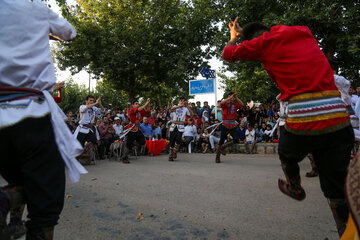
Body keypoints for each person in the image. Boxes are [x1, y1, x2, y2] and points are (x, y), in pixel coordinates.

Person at [223, 18, 354, 236]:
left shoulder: (262, 43)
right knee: (337, 190)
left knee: (286, 152)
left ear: (253, 40)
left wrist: (234, 37)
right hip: (339, 119)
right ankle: (348, 234)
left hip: (305, 119)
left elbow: (228, 54)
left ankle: (295, 186)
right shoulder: (304, 31)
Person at [0, 0, 87, 239]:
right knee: (46, 201)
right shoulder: (36, 9)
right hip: (28, 112)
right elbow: (70, 33)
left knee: (23, 180)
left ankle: (8, 200)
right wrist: (44, 32)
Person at [216, 92, 244, 163]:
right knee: (221, 141)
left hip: (232, 125)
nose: (231, 98)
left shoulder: (235, 105)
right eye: (230, 97)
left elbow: (242, 105)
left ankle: (223, 147)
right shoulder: (225, 104)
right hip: (225, 124)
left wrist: (236, 97)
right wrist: (229, 98)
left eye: (233, 98)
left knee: (236, 139)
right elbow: (221, 103)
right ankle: (217, 157)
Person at [123, 99, 151, 163]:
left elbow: (148, 111)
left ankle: (134, 145)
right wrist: (146, 104)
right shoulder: (132, 110)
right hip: (131, 129)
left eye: (138, 104)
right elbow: (139, 109)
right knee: (129, 144)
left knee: (143, 141)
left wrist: (148, 104)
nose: (137, 105)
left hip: (137, 128)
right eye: (136, 104)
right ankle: (124, 157)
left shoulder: (140, 111)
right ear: (132, 105)